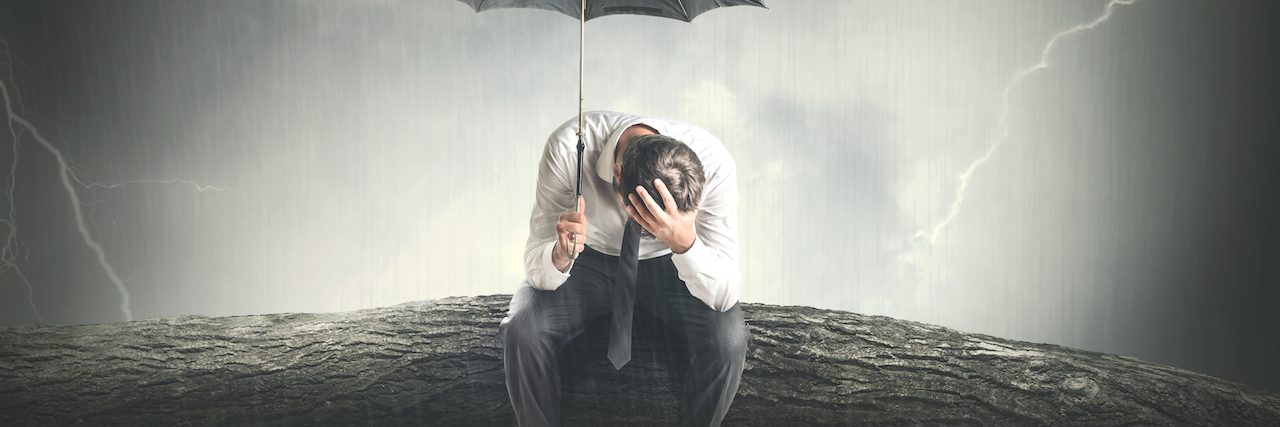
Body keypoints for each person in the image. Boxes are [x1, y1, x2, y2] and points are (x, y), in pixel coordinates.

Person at [499, 111, 748, 426]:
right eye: (642, 216)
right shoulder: (567, 149)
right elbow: (535, 260)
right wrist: (559, 255)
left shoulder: (714, 163)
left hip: (674, 263)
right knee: (524, 329)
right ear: (617, 173)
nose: (649, 228)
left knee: (728, 341)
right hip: (588, 259)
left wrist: (685, 242)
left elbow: (725, 294)